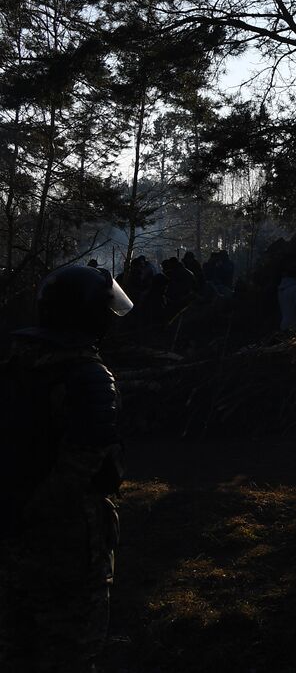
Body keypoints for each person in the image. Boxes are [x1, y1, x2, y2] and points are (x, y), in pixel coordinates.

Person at [1, 265, 132, 671]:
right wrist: (35, 513)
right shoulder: (88, 377)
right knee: (72, 652)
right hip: (69, 542)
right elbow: (80, 468)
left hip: (11, 534)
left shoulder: (15, 366)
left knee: (16, 647)